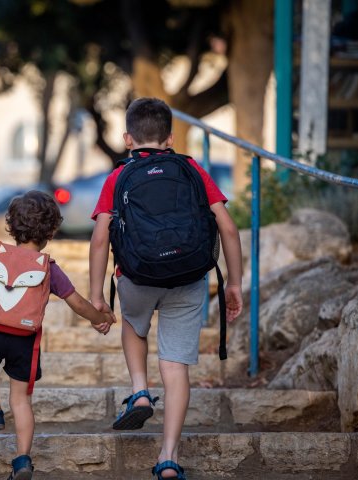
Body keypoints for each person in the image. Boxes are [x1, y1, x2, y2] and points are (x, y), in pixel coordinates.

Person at [88, 97, 243, 479]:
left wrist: (94, 296)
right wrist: (235, 282)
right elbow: (227, 226)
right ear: (170, 138)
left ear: (128, 139)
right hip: (189, 277)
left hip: (137, 276)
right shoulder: (191, 169)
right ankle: (168, 457)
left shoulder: (118, 176)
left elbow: (98, 239)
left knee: (133, 325)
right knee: (175, 368)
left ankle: (140, 389)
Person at [0, 191, 115, 480]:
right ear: (52, 231)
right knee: (21, 400)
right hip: (23, 338)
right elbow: (77, 302)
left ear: (11, 226)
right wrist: (99, 319)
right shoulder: (49, 268)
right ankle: (22, 460)